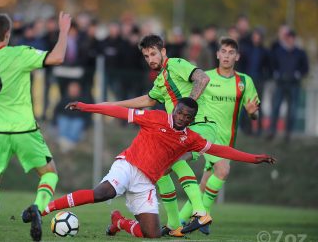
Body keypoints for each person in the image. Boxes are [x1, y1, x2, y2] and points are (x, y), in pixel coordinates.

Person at [42, 98, 275, 238]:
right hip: (128, 165)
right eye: (180, 112)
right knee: (103, 193)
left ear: (192, 119)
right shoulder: (155, 117)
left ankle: (119, 222)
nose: (182, 117)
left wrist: (254, 158)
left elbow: (222, 150)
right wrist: (86, 106)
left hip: (146, 183)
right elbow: (120, 112)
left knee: (152, 234)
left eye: (188, 116)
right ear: (174, 110)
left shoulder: (191, 138)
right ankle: (46, 208)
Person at [0, 11, 71, 241]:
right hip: (25, 130)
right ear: (8, 34)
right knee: (49, 174)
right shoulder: (21, 53)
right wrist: (64, 31)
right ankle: (37, 208)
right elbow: (57, 57)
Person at [102, 34, 214, 236]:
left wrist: (186, 107)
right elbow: (148, 100)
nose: (150, 59)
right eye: (146, 56)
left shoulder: (177, 64)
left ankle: (200, 212)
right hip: (183, 130)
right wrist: (115, 105)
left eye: (154, 53)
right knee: (159, 170)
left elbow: (202, 78)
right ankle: (174, 225)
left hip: (199, 126)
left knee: (175, 161)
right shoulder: (161, 78)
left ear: (163, 52)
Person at [179, 37, 261, 233]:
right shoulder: (204, 78)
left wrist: (251, 112)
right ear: (217, 54)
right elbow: (189, 103)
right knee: (223, 170)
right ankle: (204, 215)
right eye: (223, 51)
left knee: (205, 183)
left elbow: (255, 113)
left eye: (231, 52)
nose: (226, 55)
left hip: (228, 140)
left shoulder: (244, 81)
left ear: (237, 56)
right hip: (207, 134)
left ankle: (179, 220)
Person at [268, 30, 309, 141]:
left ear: (294, 39)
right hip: (280, 84)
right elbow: (272, 64)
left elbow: (305, 68)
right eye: (288, 38)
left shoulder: (300, 53)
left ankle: (288, 134)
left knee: (292, 110)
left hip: (294, 85)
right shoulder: (278, 51)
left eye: (292, 38)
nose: (290, 40)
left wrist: (298, 74)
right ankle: (272, 131)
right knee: (275, 108)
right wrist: (275, 73)